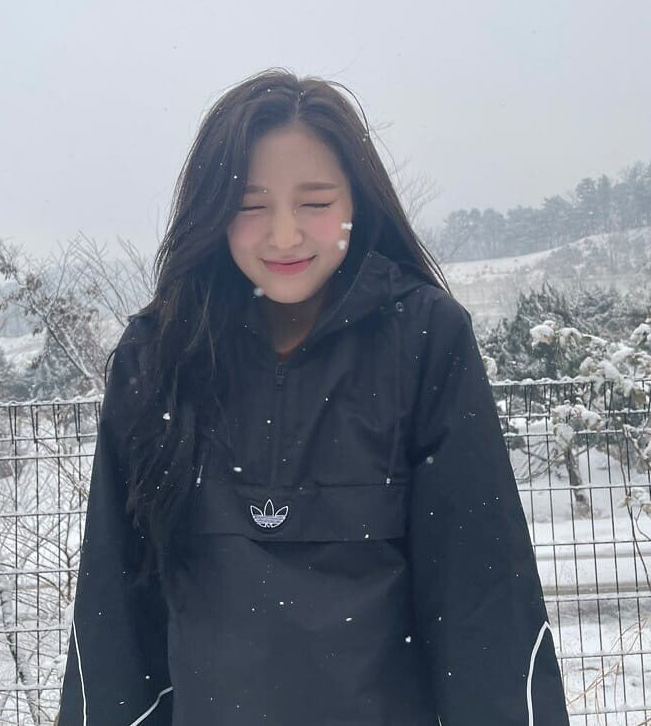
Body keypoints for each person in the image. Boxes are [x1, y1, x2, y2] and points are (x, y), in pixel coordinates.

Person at [57, 69, 569, 725]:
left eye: (315, 202)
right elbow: (116, 612)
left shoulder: (425, 340)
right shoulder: (160, 356)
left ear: (357, 201)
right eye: (250, 205)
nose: (284, 235)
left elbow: (483, 599)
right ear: (213, 212)